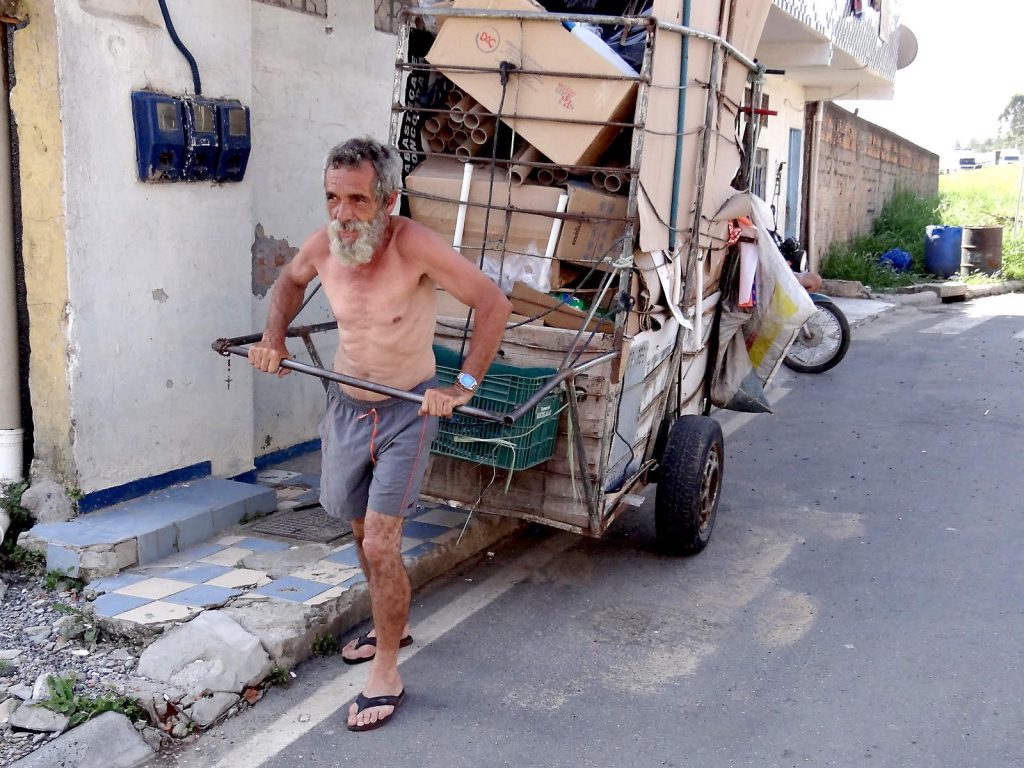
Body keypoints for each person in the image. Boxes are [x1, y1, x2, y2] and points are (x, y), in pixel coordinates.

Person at [249, 137, 512, 731]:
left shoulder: (415, 247)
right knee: (360, 528)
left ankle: (386, 671)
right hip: (346, 409)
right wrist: (273, 339)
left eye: (357, 200)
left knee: (380, 544)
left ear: (388, 201)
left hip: (405, 413)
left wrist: (464, 383)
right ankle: (393, 619)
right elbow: (288, 285)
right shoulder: (324, 245)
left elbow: (491, 302)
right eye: (333, 199)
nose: (342, 214)